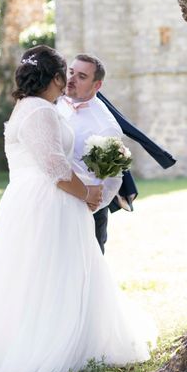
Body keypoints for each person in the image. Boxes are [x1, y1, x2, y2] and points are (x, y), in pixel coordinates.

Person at [0, 45, 154, 372]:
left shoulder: (32, 107)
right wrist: (87, 194)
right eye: (65, 76)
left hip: (39, 199)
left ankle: (72, 338)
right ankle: (47, 347)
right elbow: (56, 169)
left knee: (54, 272)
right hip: (45, 202)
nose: (68, 83)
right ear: (55, 78)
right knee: (48, 273)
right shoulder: (39, 112)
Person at [56, 54, 123, 254]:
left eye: (82, 76)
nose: (71, 79)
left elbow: (112, 180)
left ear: (97, 85)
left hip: (85, 214)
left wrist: (89, 206)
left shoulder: (106, 127)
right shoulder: (55, 102)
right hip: (53, 204)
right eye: (71, 72)